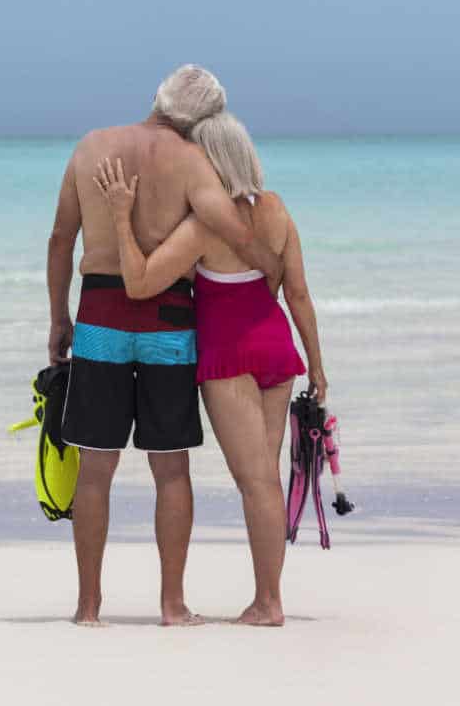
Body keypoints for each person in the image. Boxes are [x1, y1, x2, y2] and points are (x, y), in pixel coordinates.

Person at [47, 65, 283, 626]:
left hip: (100, 317)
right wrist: (272, 278)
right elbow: (236, 233)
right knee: (171, 469)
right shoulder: (192, 162)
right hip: (169, 325)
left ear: (157, 97)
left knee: (95, 470)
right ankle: (173, 605)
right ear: (203, 119)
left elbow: (61, 238)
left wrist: (59, 317)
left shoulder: (91, 147)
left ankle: (87, 607)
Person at [93, 111, 327, 627]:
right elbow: (300, 295)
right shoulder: (278, 210)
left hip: (229, 357)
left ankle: (269, 605)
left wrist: (120, 216)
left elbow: (138, 282)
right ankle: (267, 599)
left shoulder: (203, 225)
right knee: (263, 479)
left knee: (257, 483)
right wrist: (319, 367)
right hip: (278, 351)